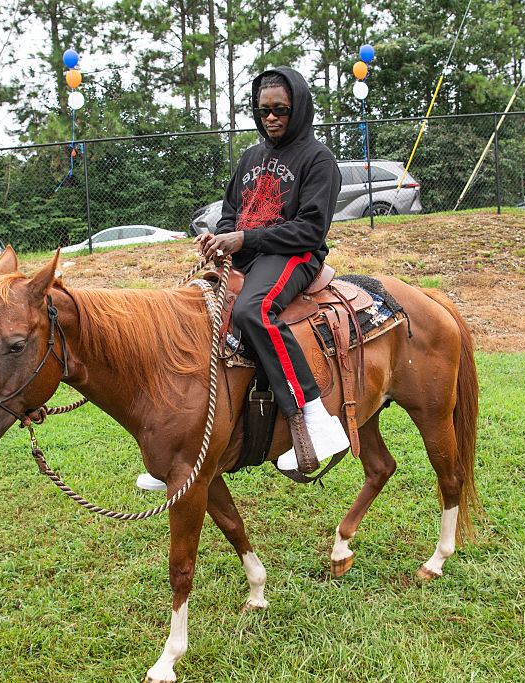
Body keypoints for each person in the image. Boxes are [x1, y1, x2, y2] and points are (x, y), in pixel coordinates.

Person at [136, 66, 347, 490]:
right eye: (263, 110)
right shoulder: (252, 157)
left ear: (299, 107)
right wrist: (223, 236)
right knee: (196, 309)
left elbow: (311, 228)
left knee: (254, 310)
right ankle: (188, 447)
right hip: (251, 253)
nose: (271, 118)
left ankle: (315, 416)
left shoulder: (318, 159)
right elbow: (233, 209)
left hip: (293, 254)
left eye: (281, 110)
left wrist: (243, 237)